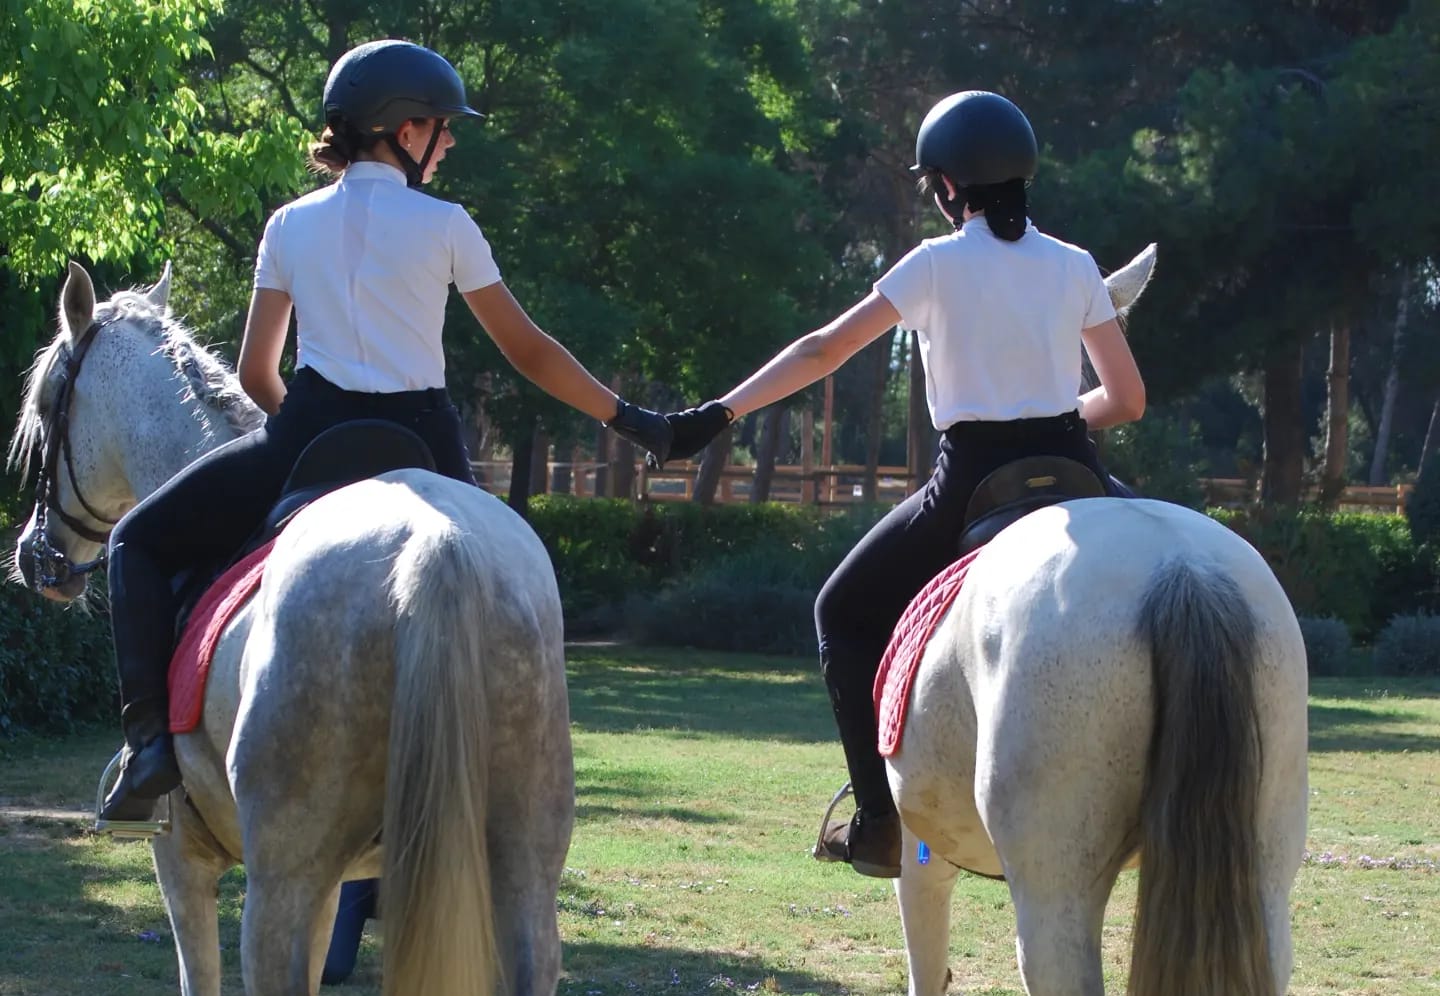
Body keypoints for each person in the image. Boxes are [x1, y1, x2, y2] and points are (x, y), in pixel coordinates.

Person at [100, 38, 671, 822]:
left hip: (307, 437)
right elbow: (529, 351)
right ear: (404, 131)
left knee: (136, 540)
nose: (451, 141)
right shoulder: (449, 226)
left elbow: (255, 372)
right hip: (425, 445)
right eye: (444, 125)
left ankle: (149, 752)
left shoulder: (289, 225)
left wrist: (296, 434)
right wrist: (630, 419)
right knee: (509, 583)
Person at [663, 91, 1145, 879]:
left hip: (971, 480)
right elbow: (1125, 400)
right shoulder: (1076, 265)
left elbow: (822, 351)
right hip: (1074, 465)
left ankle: (879, 821)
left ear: (948, 186)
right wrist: (1053, 418)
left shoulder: (934, 262)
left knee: (841, 613)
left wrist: (717, 414)